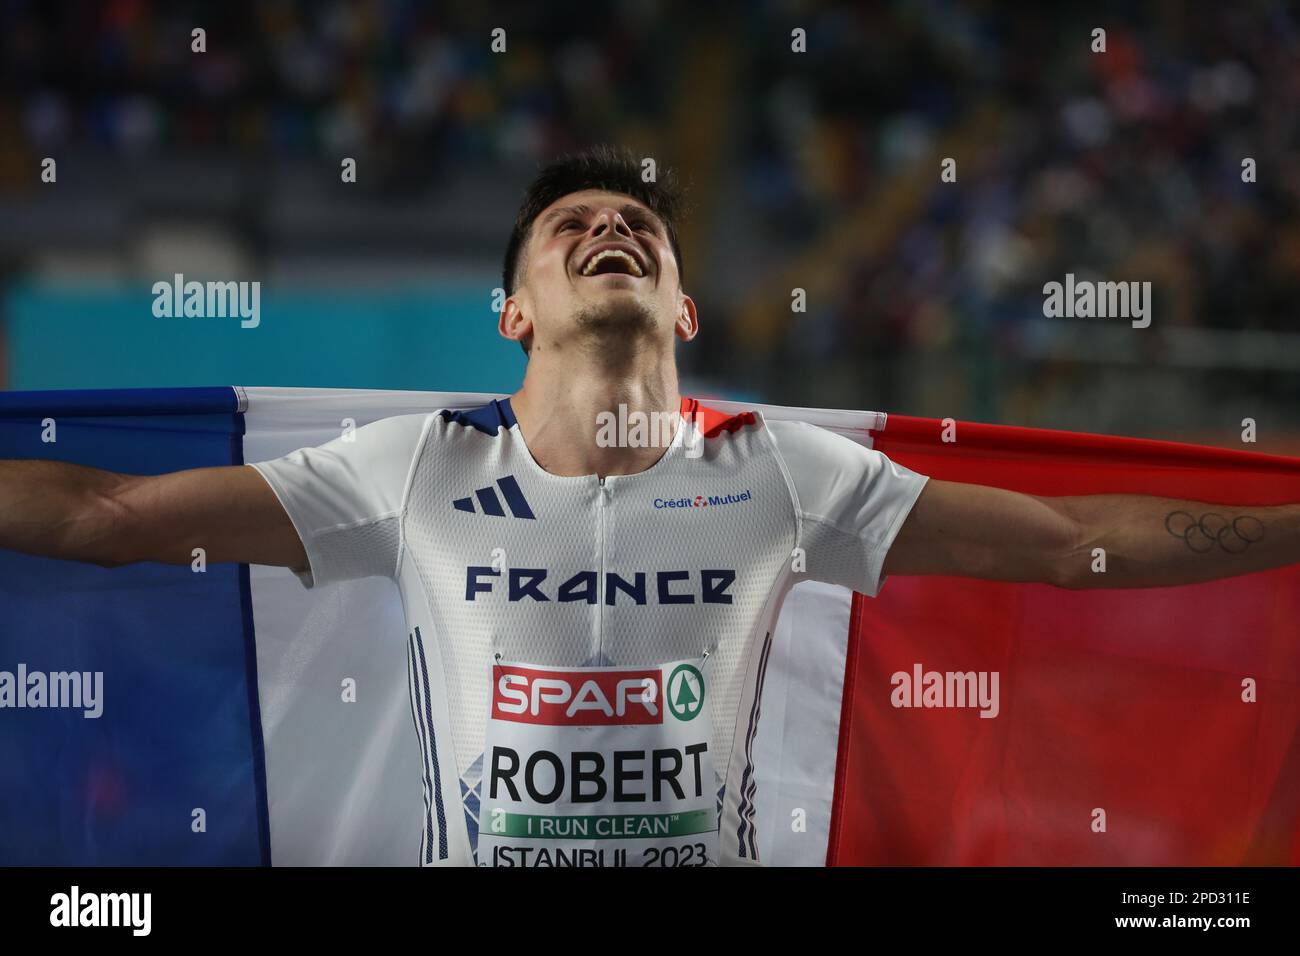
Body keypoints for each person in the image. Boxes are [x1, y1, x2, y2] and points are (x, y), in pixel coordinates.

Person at [2, 145, 1297, 867]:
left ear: (682, 307)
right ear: (514, 312)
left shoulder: (783, 469)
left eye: (638, 226)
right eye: (570, 224)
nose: (607, 228)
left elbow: (1073, 549)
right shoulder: (412, 467)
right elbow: (109, 515)